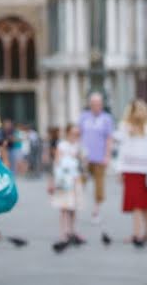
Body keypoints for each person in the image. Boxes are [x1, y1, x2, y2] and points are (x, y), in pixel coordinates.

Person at [115, 99, 147, 249]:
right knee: (143, 204)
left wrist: (119, 169)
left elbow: (122, 150)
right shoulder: (144, 128)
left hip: (136, 170)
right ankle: (143, 233)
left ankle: (140, 233)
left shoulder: (132, 127)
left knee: (141, 204)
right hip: (141, 170)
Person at [48, 124, 87, 253]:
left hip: (76, 179)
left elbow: (83, 162)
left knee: (74, 207)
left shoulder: (79, 146)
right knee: (64, 208)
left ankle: (72, 230)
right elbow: (57, 163)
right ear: (68, 133)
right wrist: (53, 181)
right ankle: (64, 232)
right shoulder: (62, 145)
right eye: (74, 134)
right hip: (64, 180)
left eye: (77, 134)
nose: (76, 136)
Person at [79, 92, 114, 225]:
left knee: (99, 185)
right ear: (90, 104)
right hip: (84, 157)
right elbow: (79, 134)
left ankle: (96, 210)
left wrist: (107, 155)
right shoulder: (83, 117)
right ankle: (76, 206)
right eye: (93, 104)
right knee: (79, 182)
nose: (96, 106)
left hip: (100, 157)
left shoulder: (107, 119)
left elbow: (109, 138)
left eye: (98, 104)